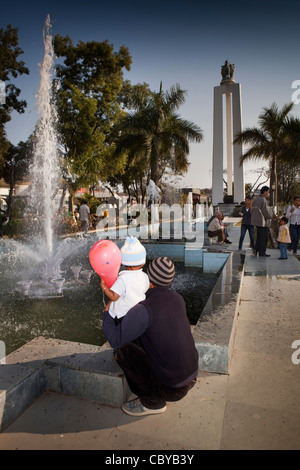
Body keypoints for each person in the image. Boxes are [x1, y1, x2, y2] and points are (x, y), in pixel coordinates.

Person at [102, 256, 199, 417]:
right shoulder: (177, 299)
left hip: (170, 388)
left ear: (149, 280)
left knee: (123, 351)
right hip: (191, 377)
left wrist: (107, 316)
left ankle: (152, 402)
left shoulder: (144, 309)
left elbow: (114, 339)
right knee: (140, 338)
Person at [100, 236, 149, 322]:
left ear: (124, 263)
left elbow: (114, 297)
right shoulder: (145, 276)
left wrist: (104, 287)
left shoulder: (123, 279)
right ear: (143, 262)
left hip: (121, 315)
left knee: (110, 308)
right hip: (138, 312)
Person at [251, 186, 273, 257]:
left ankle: (256, 248)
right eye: (268, 192)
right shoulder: (263, 200)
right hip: (262, 221)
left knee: (259, 236)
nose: (268, 193)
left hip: (256, 221)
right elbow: (265, 211)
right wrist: (270, 216)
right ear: (265, 191)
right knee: (264, 237)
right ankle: (262, 252)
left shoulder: (256, 199)